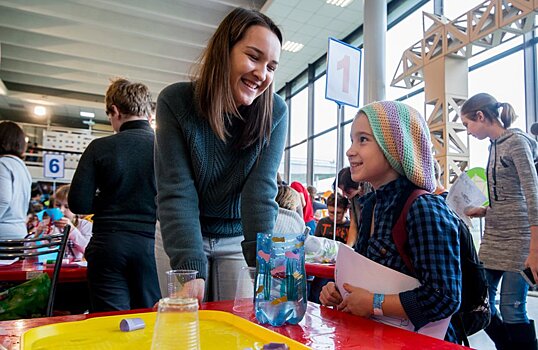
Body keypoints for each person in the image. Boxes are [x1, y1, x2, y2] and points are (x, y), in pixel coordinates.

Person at [154, 8, 286, 302]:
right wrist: (190, 269)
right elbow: (177, 190)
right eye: (253, 57)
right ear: (223, 52)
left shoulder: (275, 111)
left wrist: (263, 266)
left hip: (237, 236)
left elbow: (260, 192)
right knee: (186, 324)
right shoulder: (175, 102)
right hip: (184, 233)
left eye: (272, 66)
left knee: (237, 328)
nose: (262, 74)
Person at [319, 101, 461, 342]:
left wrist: (375, 303)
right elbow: (364, 274)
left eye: (363, 140)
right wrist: (340, 292)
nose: (350, 151)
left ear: (395, 146)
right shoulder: (371, 204)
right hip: (377, 338)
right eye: (352, 140)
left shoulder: (423, 208)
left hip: (418, 341)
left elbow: (444, 297)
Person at [69, 78, 160, 311]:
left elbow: (78, 203)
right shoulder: (166, 148)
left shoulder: (99, 147)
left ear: (115, 111)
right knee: (152, 319)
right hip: (153, 245)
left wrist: (109, 198)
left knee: (111, 324)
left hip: (109, 244)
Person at [461, 93, 538, 348]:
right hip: (494, 238)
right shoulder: (493, 146)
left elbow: (532, 195)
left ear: (480, 116)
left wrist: (535, 250)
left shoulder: (516, 142)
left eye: (467, 124)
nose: (467, 131)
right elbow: (508, 196)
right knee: (479, 303)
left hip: (520, 240)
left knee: (512, 310)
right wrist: (483, 211)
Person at [0, 121, 32, 240]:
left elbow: (3, 199)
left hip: (3, 233)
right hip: (19, 230)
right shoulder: (22, 167)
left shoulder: (3, 164)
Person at [51, 184, 93, 260]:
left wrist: (72, 230)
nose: (61, 210)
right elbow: (33, 253)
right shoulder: (50, 225)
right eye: (57, 205)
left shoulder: (85, 225)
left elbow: (88, 250)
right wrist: (38, 234)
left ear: (77, 208)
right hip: (51, 268)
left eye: (67, 207)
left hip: (76, 269)